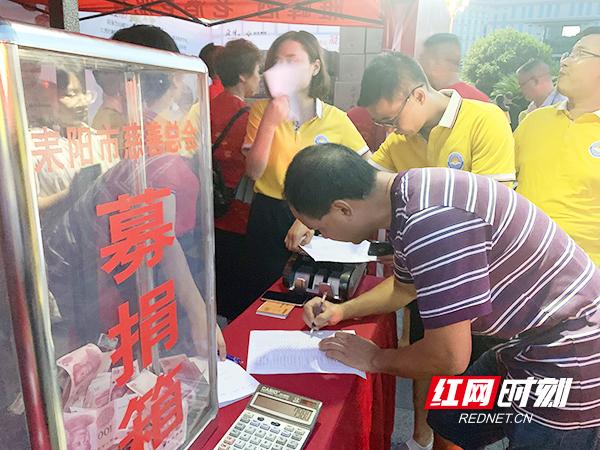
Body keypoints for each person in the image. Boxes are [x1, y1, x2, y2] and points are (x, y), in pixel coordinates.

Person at [285, 144, 600, 450]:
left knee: (532, 435)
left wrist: (375, 359)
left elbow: (449, 357)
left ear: (343, 209)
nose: (324, 237)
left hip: (571, 356)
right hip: (523, 343)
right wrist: (342, 310)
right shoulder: (407, 196)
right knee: (449, 418)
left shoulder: (430, 222)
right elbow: (404, 288)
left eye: (319, 228)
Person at [356, 51, 516, 450]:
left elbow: (492, 210)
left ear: (417, 95)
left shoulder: (484, 119)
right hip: (429, 281)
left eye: (391, 119)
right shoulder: (400, 140)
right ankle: (419, 437)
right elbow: (362, 183)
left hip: (482, 288)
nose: (390, 130)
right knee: (427, 364)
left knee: (461, 395)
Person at [242, 30, 370, 303]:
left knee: (311, 295)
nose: (283, 68)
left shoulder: (336, 119)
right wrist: (271, 121)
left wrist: (310, 218)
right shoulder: (261, 111)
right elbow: (253, 171)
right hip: (268, 214)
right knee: (263, 297)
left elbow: (365, 172)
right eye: (277, 62)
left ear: (315, 66)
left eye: (292, 60)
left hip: (319, 217)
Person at [515, 26, 600, 266]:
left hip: (584, 276)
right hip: (517, 266)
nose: (565, 62)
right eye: (568, 54)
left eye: (580, 54)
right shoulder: (533, 121)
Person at [210, 38, 261, 319]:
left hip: (210, 209)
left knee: (219, 283)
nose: (259, 78)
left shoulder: (205, 107)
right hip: (240, 213)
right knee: (241, 292)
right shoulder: (250, 119)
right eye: (257, 71)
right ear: (243, 75)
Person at [418, 33, 489, 102]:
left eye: (422, 58)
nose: (419, 63)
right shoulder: (481, 100)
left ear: (434, 63)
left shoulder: (436, 103)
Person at [516, 59, 566, 124]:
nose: (520, 89)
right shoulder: (528, 111)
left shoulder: (565, 107)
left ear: (535, 81)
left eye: (522, 85)